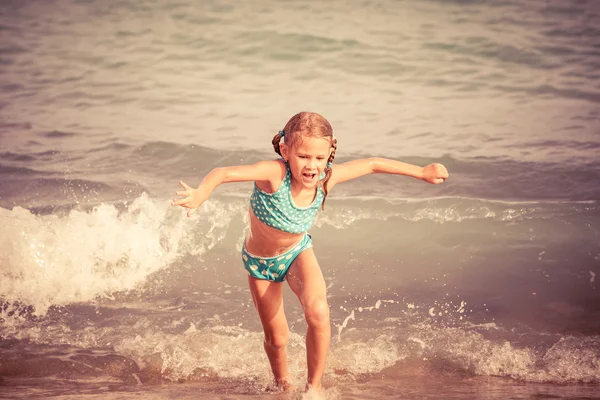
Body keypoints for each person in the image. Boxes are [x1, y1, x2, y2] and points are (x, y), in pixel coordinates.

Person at [171, 111, 448, 391]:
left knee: (318, 311)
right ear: (285, 149)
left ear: (329, 154)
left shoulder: (326, 178)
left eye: (319, 158)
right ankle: (283, 386)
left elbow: (372, 165)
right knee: (278, 339)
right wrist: (202, 193)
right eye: (303, 156)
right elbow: (224, 173)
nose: (312, 166)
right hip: (261, 265)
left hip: (297, 253)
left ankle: (313, 389)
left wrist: (421, 172)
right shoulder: (274, 174)